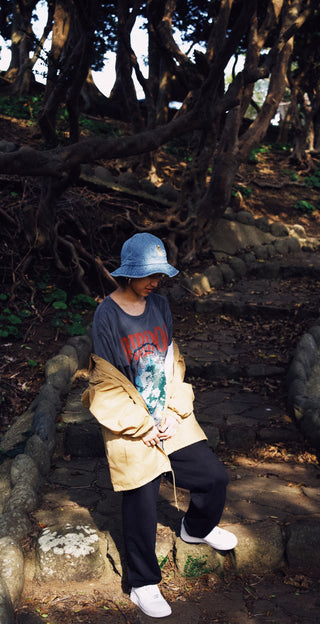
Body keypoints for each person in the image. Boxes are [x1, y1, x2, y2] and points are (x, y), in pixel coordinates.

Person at [82, 233, 237, 619]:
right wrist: (142, 425)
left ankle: (196, 527)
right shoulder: (107, 315)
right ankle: (143, 583)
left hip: (165, 414)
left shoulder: (161, 305)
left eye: (159, 275)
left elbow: (170, 360)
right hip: (130, 419)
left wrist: (169, 410)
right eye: (149, 275)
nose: (155, 282)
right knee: (142, 495)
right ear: (129, 274)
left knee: (213, 476)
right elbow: (105, 379)